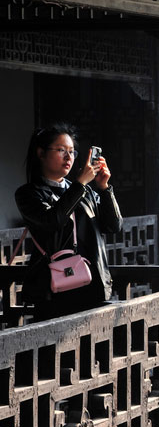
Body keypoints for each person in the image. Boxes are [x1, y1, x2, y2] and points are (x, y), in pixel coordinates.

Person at [15, 125, 123, 321]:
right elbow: (51, 222)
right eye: (61, 150)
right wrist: (80, 184)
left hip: (91, 284)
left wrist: (104, 188)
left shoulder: (85, 191)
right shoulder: (28, 193)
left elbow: (113, 226)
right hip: (54, 292)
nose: (69, 157)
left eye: (72, 152)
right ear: (41, 153)